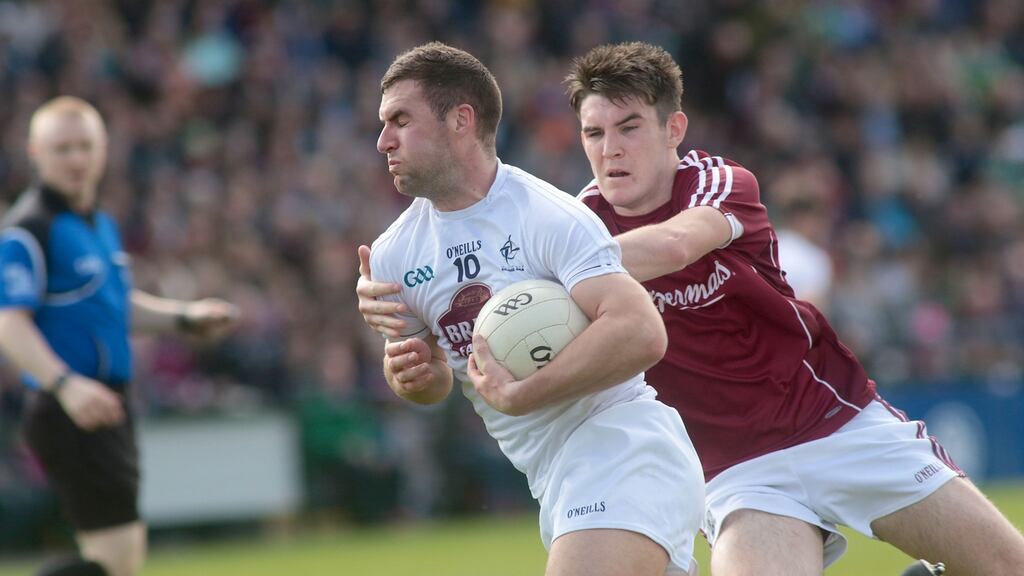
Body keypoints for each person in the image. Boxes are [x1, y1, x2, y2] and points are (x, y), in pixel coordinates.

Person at [358, 42, 1024, 575]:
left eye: (629, 127)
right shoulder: (572, 219)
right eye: (593, 132)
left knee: (1005, 564)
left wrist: (561, 267)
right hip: (736, 473)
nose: (609, 148)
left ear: (673, 128)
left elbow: (678, 242)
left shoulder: (714, 182)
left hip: (833, 423)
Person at [363, 42, 704, 576]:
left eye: (400, 121)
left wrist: (523, 395)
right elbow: (432, 382)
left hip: (622, 446)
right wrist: (408, 372)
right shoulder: (393, 253)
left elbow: (642, 331)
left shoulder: (547, 216)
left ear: (461, 119)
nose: (384, 140)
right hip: (551, 476)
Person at [0, 97, 239, 576]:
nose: (75, 159)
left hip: (109, 403)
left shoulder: (99, 225)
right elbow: (9, 323)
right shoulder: (28, 230)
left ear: (104, 150)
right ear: (35, 151)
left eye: (84, 146)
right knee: (114, 559)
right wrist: (65, 385)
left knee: (117, 559)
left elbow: (115, 306)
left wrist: (184, 318)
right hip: (72, 406)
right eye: (61, 148)